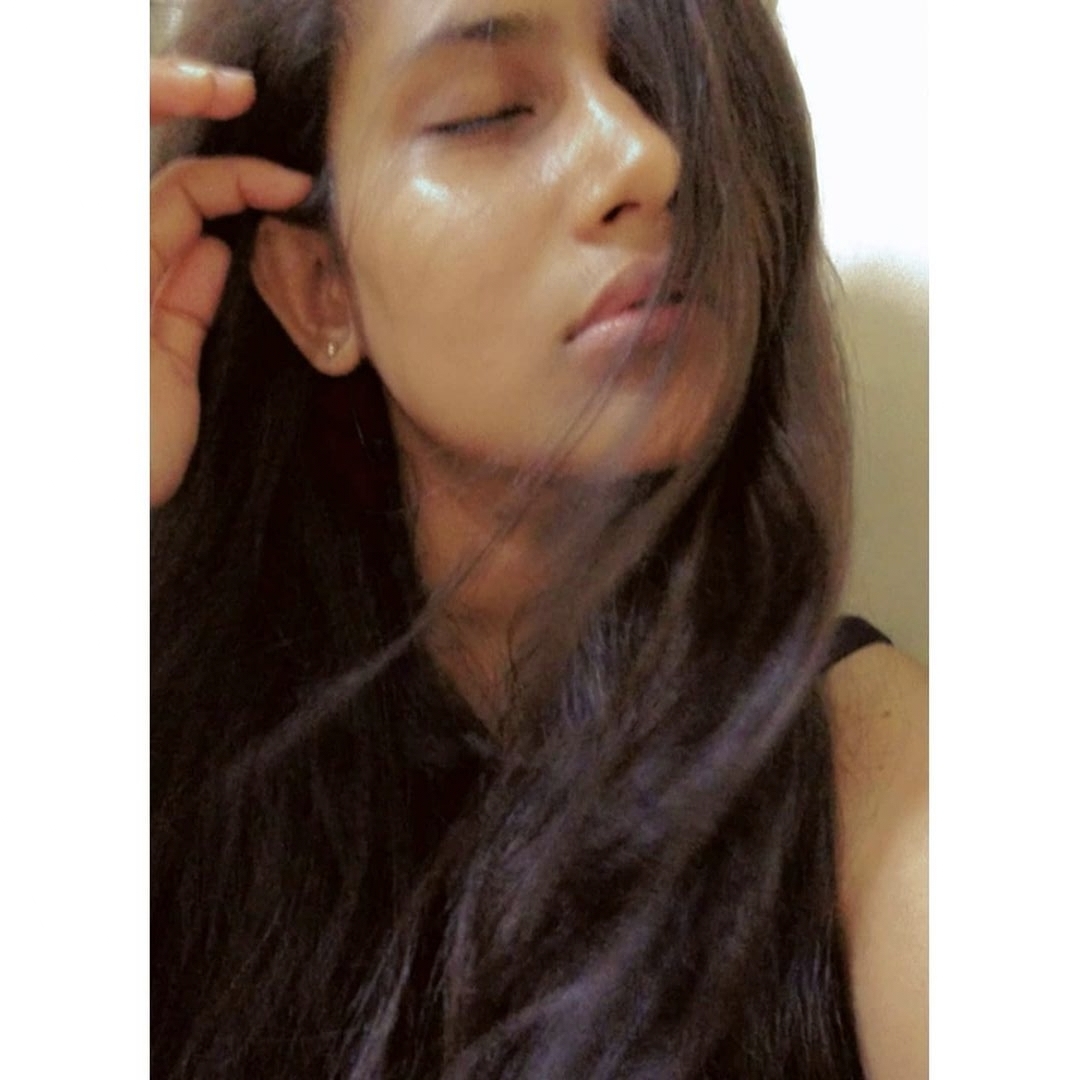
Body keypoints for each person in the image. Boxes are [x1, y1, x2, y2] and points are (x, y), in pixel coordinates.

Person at [150, 0, 928, 1077]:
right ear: (320, 288)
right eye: (489, 111)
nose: (649, 158)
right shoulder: (163, 767)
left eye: (664, 93)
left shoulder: (876, 780)